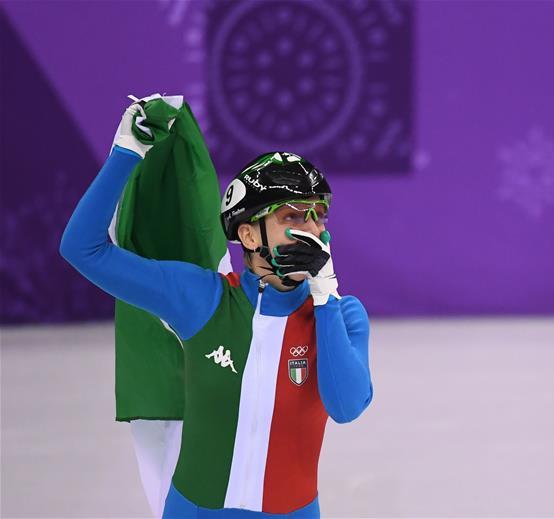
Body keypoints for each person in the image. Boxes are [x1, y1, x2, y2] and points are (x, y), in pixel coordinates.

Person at [60, 98, 373, 518]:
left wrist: (325, 299)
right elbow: (83, 248)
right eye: (293, 217)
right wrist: (126, 153)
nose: (313, 230)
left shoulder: (342, 315)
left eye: (319, 217)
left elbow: (347, 406)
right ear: (247, 234)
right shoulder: (202, 299)